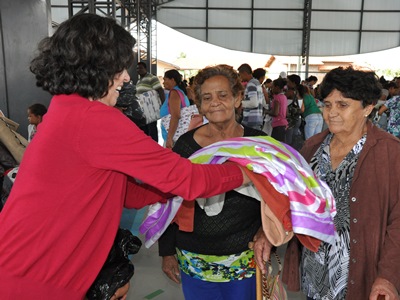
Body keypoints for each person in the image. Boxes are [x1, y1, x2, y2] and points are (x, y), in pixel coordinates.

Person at [0, 14, 252, 300]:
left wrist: (167, 192)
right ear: (98, 67)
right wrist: (248, 171)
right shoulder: (95, 120)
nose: (127, 76)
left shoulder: (63, 108)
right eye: (120, 67)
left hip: (23, 265)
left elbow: (125, 192)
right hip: (35, 277)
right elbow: (190, 180)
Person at [253, 66, 400, 300]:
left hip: (360, 278)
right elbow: (288, 198)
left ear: (368, 108)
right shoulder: (312, 147)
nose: (331, 113)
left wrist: (389, 276)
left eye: (343, 105)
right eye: (327, 104)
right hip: (315, 274)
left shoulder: (390, 153)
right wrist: (267, 232)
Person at [159, 64, 267, 300]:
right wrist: (167, 252)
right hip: (193, 257)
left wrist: (267, 235)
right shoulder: (185, 146)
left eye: (223, 95)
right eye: (207, 97)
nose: (215, 102)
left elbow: (278, 198)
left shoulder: (260, 145)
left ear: (238, 98)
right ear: (199, 105)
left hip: (244, 257)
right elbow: (169, 200)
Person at [160, 69, 191, 149]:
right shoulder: (180, 92)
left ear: (172, 80)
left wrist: (169, 138)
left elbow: (175, 116)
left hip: (174, 138)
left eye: (165, 79)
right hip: (179, 136)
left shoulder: (174, 93)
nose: (163, 82)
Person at [136, 61, 166, 142]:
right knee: (144, 129)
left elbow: (160, 90)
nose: (139, 70)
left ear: (145, 69)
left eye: (141, 68)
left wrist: (163, 104)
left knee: (152, 128)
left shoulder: (151, 77)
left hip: (151, 108)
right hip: (142, 110)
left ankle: (154, 146)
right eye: (137, 68)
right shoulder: (139, 81)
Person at [238, 63, 265, 130]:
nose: (240, 77)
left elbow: (253, 103)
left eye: (240, 75)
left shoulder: (251, 84)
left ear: (244, 73)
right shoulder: (257, 83)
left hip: (250, 121)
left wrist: (240, 103)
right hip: (257, 119)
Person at [267, 77, 288, 142]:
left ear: (277, 87)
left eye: (272, 87)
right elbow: (286, 112)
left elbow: (275, 113)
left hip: (278, 124)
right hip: (284, 124)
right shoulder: (284, 97)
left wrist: (266, 112)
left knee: (276, 144)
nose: (271, 89)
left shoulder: (277, 98)